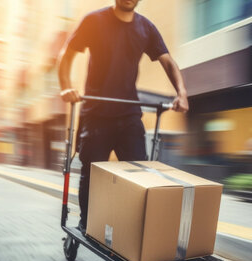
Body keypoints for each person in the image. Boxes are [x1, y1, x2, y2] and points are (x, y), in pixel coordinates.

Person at [57, 0, 188, 232]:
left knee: (139, 176)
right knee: (92, 175)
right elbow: (67, 54)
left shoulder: (146, 28)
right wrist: (66, 86)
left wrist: (181, 92)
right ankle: (87, 223)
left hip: (128, 116)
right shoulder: (94, 20)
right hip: (96, 114)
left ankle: (133, 235)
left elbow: (168, 61)